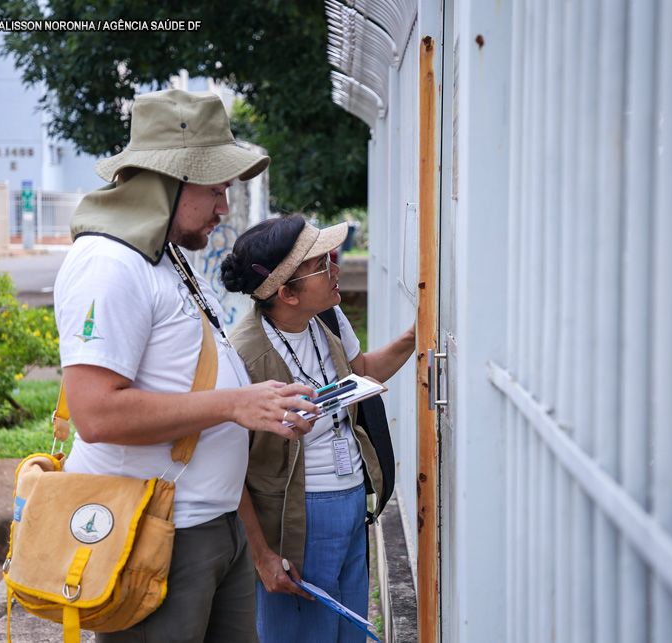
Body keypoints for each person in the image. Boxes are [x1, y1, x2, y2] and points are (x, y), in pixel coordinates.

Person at [53, 89, 318, 643]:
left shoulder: (166, 257)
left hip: (214, 524)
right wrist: (235, 404)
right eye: (216, 188)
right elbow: (95, 414)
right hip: (157, 532)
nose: (224, 206)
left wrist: (259, 407)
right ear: (169, 180)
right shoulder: (110, 263)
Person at [219, 215, 415, 642]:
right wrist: (262, 556)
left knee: (349, 631)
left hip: (350, 502)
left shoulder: (327, 318)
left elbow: (359, 371)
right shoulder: (242, 357)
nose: (336, 268)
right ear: (287, 293)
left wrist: (415, 337)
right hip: (297, 518)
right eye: (322, 264)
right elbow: (228, 469)